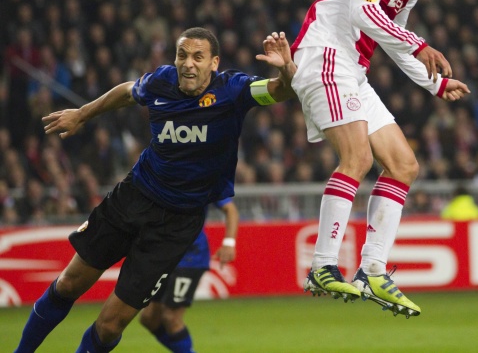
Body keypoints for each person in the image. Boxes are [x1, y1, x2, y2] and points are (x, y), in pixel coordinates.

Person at [14, 28, 296, 353]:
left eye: (198, 57)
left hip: (176, 226)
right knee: (68, 284)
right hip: (133, 198)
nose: (188, 64)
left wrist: (286, 69)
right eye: (182, 55)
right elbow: (126, 92)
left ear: (214, 63)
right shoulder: (161, 81)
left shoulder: (233, 90)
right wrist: (82, 114)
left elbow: (281, 90)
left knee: (110, 326)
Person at [292, 0, 472, 317]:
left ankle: (372, 270)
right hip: (326, 53)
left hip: (353, 69)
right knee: (357, 158)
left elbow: (394, 39)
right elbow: (363, 11)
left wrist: (435, 82)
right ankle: (322, 265)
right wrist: (420, 45)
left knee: (404, 165)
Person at [139, 199, 239, 353]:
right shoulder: (158, 183)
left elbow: (230, 209)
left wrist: (229, 243)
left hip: (190, 258)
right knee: (149, 318)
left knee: (171, 316)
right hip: (163, 256)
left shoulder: (202, 183)